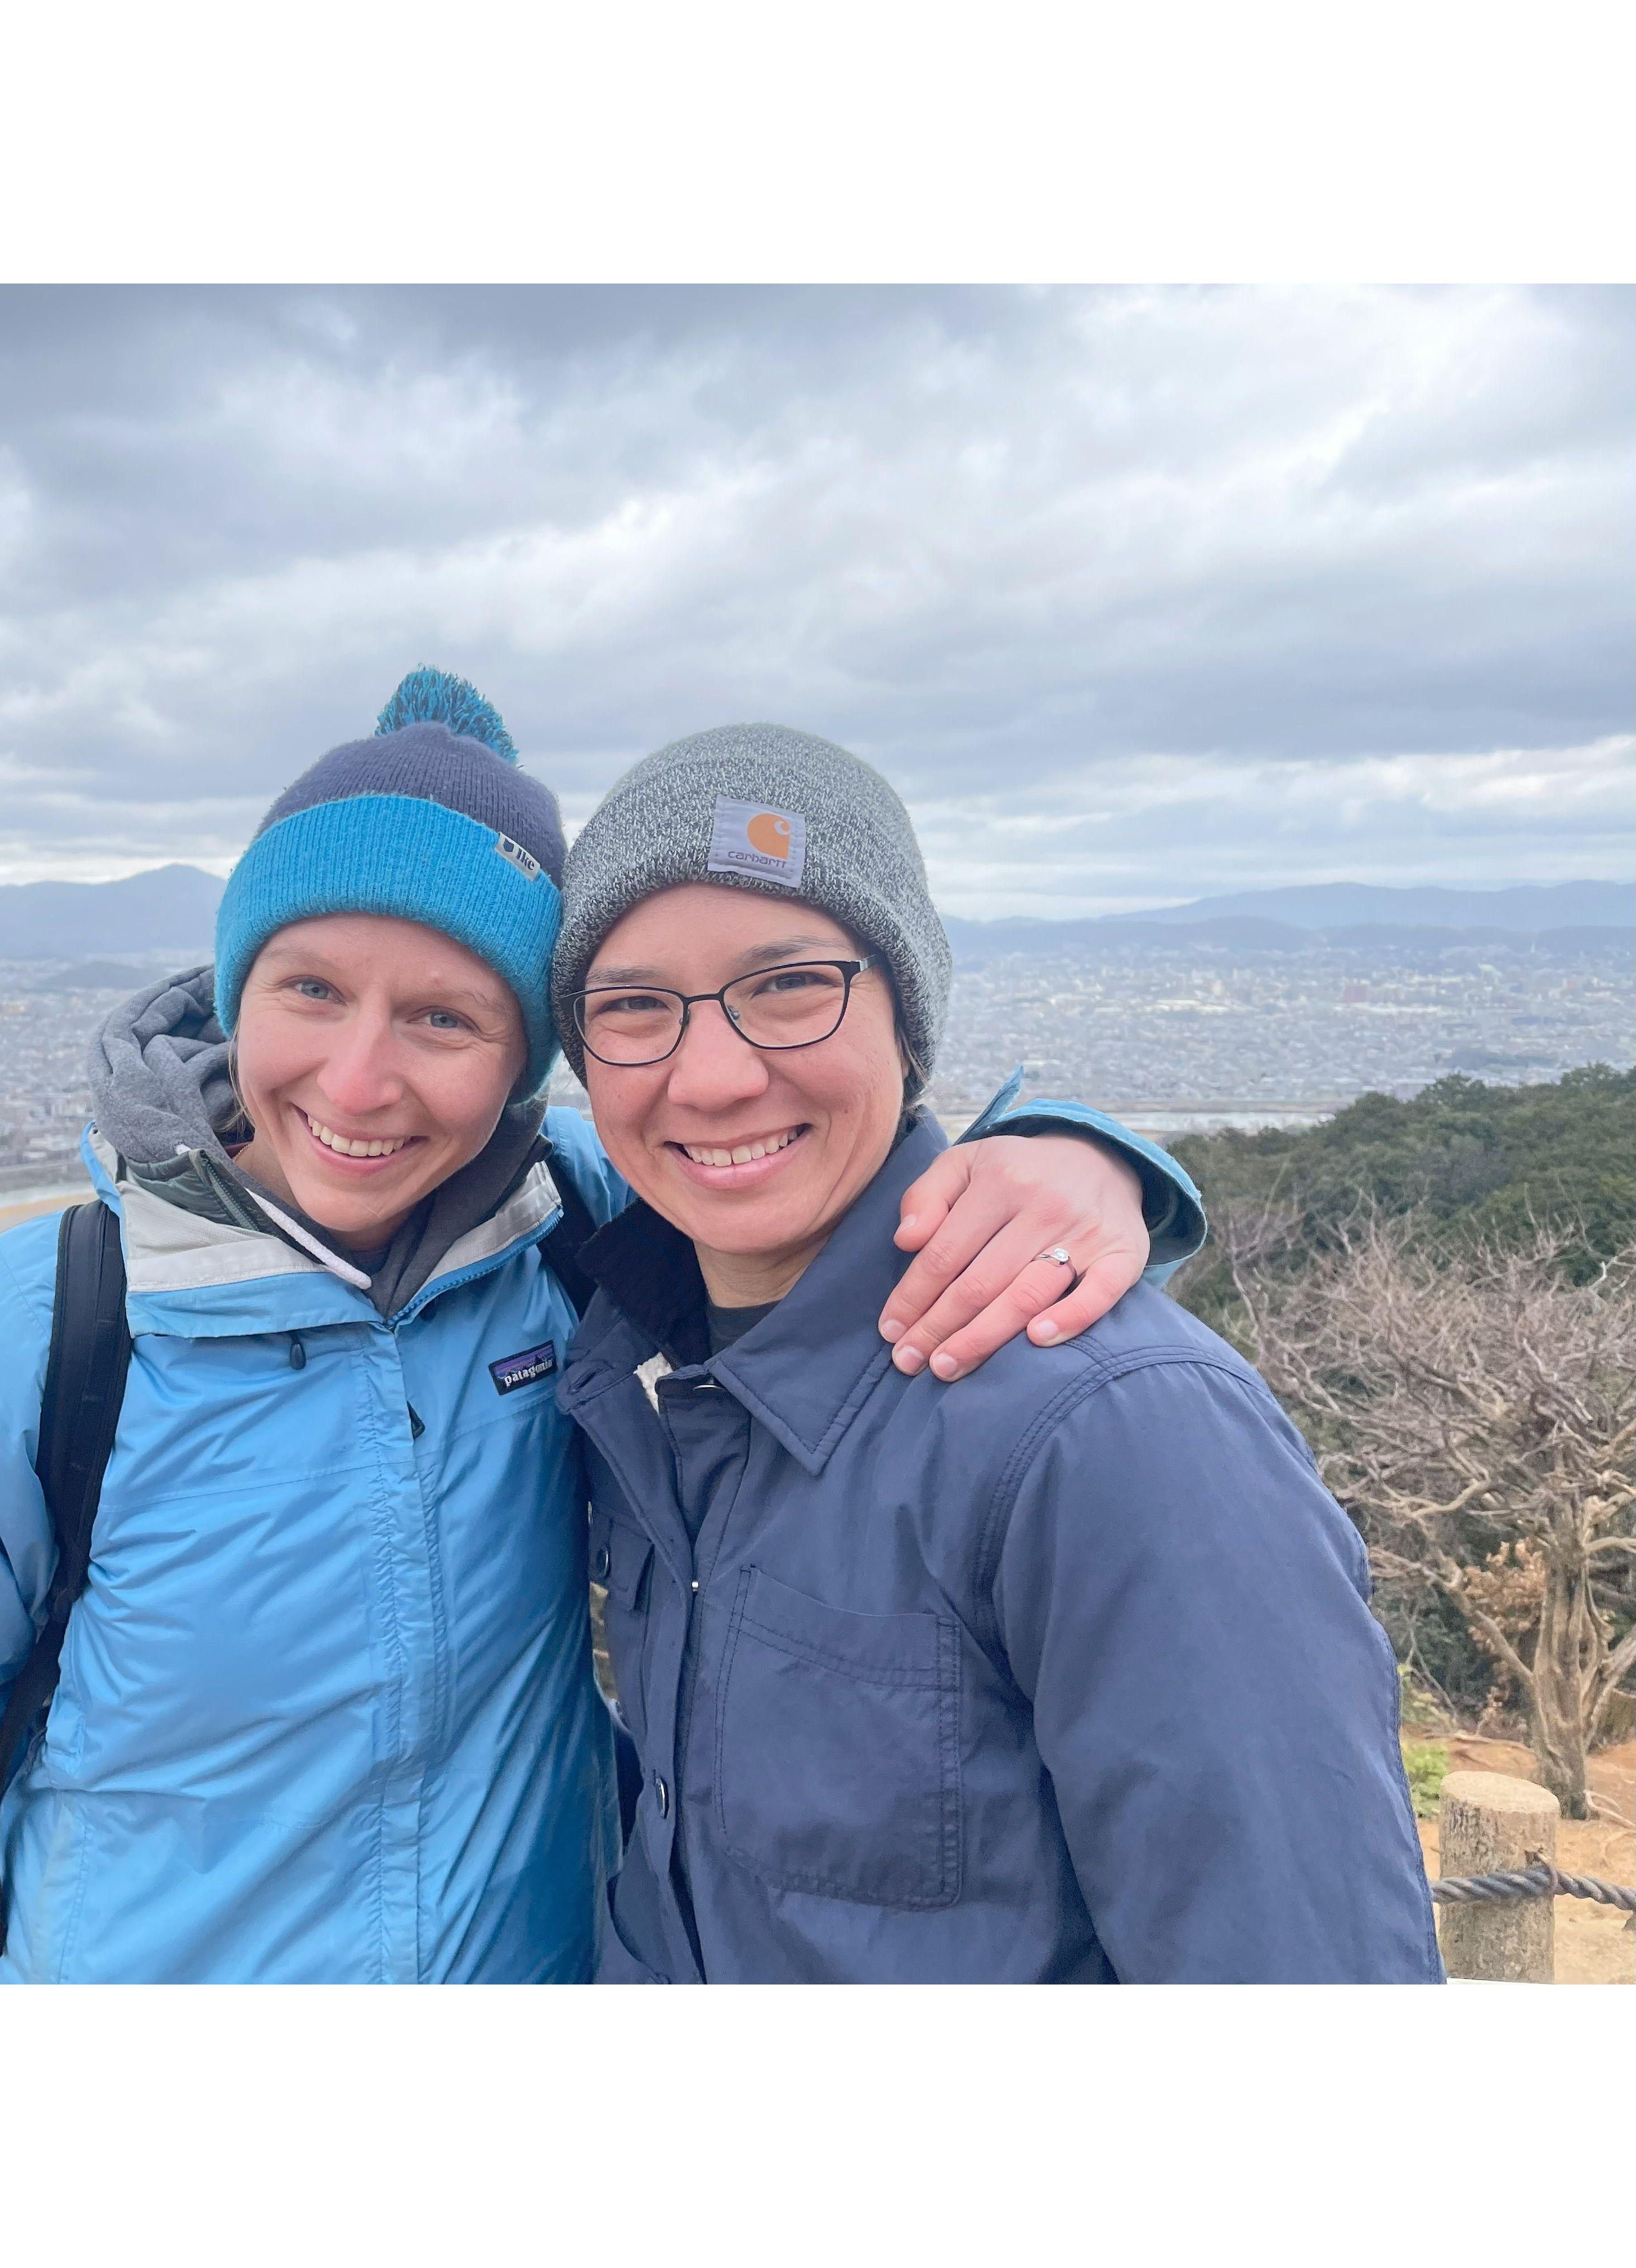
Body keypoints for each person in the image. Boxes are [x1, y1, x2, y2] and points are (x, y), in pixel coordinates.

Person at [0, 675, 1204, 1983]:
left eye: (445, 1016)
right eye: (310, 989)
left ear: (521, 1072)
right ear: (233, 989)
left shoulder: (570, 1231)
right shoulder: (34, 1331)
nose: (360, 1079)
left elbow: (800, 1180)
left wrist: (1080, 1154)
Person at [550, 723, 1444, 1983]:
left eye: (791, 984)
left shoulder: (1115, 1428)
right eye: (635, 1007)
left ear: (908, 1016)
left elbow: (1305, 1982)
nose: (711, 1075)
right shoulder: (634, 1361)